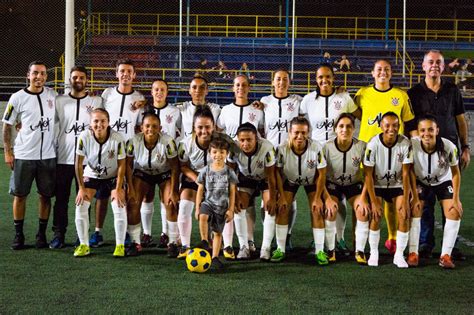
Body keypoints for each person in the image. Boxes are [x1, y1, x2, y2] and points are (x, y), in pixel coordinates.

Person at [406, 49, 469, 261]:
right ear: (423, 66)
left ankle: (449, 247)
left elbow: (460, 120)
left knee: (448, 198)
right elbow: (411, 124)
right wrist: (421, 146)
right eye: (430, 62)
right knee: (425, 202)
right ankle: (425, 243)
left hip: (448, 153)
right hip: (424, 154)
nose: (434, 65)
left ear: (443, 67)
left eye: (438, 62)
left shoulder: (452, 90)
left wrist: (466, 147)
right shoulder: (414, 93)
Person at [355, 59, 414, 255]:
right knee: (368, 196)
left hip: (394, 153)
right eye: (379, 69)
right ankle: (360, 240)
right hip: (368, 152)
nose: (383, 72)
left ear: (391, 73)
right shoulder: (362, 94)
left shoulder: (401, 96)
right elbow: (355, 113)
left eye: (387, 69)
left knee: (392, 196)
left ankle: (392, 237)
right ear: (372, 73)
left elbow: (408, 122)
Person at [300, 63, 358, 255]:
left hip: (340, 153)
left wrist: (349, 95)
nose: (324, 80)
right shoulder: (308, 100)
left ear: (334, 78)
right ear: (315, 79)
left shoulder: (344, 97)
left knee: (338, 197)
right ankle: (320, 239)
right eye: (320, 77)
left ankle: (339, 239)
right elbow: (300, 122)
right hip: (317, 155)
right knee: (320, 197)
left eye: (328, 77)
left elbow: (359, 114)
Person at [3, 61, 57, 250]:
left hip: (48, 156)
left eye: (42, 74)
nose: (39, 77)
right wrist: (8, 151)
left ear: (46, 77)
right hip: (24, 155)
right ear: (28, 75)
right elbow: (7, 125)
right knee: (20, 195)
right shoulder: (17, 98)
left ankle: (41, 235)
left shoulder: (53, 95)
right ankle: (19, 235)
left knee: (45, 196)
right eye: (35, 73)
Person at [91, 59, 146, 247]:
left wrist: (144, 102)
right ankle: (97, 232)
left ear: (134, 75)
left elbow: (141, 125)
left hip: (129, 154)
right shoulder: (107, 95)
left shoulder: (138, 98)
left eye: (129, 71)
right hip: (106, 152)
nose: (125, 74)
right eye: (122, 71)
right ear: (116, 74)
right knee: (102, 195)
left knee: (126, 192)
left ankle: (128, 234)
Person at [50, 65, 103, 249]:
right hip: (64, 159)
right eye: (74, 77)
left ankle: (83, 236)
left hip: (87, 162)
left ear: (86, 80)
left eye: (81, 77)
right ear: (70, 80)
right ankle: (58, 234)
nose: (78, 80)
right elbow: (48, 122)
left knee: (85, 198)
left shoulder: (96, 102)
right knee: (61, 199)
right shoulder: (60, 101)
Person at [177, 106, 234, 259]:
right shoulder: (185, 144)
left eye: (207, 127)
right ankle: (185, 245)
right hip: (194, 178)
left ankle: (227, 246)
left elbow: (233, 163)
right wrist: (197, 179)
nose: (204, 131)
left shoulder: (224, 141)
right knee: (184, 204)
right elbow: (183, 165)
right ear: (194, 128)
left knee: (226, 208)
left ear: (213, 126)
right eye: (200, 127)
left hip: (219, 181)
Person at [217, 74, 264, 258]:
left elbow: (263, 132)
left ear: (249, 88)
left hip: (258, 164)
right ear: (232, 88)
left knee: (254, 205)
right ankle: (234, 243)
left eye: (244, 85)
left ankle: (250, 241)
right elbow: (220, 131)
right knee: (238, 202)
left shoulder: (258, 110)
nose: (240, 88)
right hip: (235, 164)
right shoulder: (225, 110)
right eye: (237, 85)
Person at [273, 117, 328, 264]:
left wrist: (317, 198)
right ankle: (280, 249)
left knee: (317, 209)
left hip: (311, 180)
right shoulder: (281, 148)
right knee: (283, 208)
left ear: (308, 132)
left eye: (303, 132)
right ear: (289, 132)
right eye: (296, 132)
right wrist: (281, 195)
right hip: (290, 180)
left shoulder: (316, 147)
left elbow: (322, 174)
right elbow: (277, 172)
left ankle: (320, 250)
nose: (300, 136)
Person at [410, 115, 463, 269]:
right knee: (415, 208)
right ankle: (414, 252)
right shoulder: (411, 145)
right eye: (423, 130)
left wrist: (456, 198)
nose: (427, 133)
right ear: (418, 132)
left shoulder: (448, 146)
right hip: (421, 181)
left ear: (437, 130)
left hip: (442, 181)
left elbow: (455, 173)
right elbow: (409, 172)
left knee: (454, 211)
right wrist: (413, 195)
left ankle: (445, 255)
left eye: (431, 130)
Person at [73, 108, 127, 257]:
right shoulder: (84, 137)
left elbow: (122, 164)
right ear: (90, 123)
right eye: (96, 121)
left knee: (119, 203)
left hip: (112, 176)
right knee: (81, 203)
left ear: (108, 122)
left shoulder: (118, 138)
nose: (99, 124)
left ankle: (120, 245)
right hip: (92, 175)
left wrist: (118, 188)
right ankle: (84, 245)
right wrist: (81, 188)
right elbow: (78, 164)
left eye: (103, 121)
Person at [125, 112, 180, 256]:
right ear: (141, 128)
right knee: (133, 202)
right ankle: (135, 242)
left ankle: (173, 242)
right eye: (147, 126)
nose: (150, 129)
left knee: (170, 202)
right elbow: (128, 165)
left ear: (160, 128)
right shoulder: (133, 141)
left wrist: (174, 190)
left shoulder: (168, 142)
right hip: (143, 172)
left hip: (163, 172)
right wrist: (130, 187)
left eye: (154, 126)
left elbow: (175, 166)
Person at [362, 112, 413, 268]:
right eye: (387, 125)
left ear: (399, 126)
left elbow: (405, 173)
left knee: (403, 215)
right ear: (381, 126)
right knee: (375, 215)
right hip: (377, 185)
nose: (391, 129)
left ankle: (399, 255)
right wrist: (373, 200)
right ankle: (374, 253)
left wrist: (405, 199)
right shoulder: (372, 144)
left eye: (395, 125)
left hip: (397, 185)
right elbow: (368, 175)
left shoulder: (405, 143)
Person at [259, 69, 302, 252]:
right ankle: (269, 234)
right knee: (267, 200)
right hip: (269, 158)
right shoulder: (264, 102)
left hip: (289, 157)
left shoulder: (298, 101)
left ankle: (287, 234)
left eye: (285, 79)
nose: (281, 82)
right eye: (278, 79)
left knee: (288, 199)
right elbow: (260, 129)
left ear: (289, 83)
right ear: (272, 82)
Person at [323, 113, 369, 264]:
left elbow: (369, 174)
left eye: (349, 126)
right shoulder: (326, 147)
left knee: (362, 210)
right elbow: (320, 176)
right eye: (341, 126)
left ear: (354, 129)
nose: (345, 129)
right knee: (330, 210)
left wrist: (363, 198)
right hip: (332, 185)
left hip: (353, 185)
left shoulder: (361, 146)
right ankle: (331, 249)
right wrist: (327, 198)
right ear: (335, 129)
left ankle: (360, 251)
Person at [228, 123, 278, 260]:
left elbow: (271, 176)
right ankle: (244, 247)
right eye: (242, 140)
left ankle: (265, 248)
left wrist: (273, 198)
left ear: (256, 138)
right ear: (238, 139)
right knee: (239, 207)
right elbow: (230, 172)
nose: (245, 143)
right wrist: (235, 195)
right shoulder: (233, 148)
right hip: (245, 177)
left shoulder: (267, 147)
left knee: (270, 207)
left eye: (249, 140)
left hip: (264, 178)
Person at [143, 79, 181, 248]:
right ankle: (146, 233)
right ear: (151, 92)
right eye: (156, 89)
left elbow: (181, 131)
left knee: (166, 199)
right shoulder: (143, 111)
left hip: (167, 164)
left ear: (167, 92)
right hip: (146, 163)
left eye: (162, 89)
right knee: (147, 196)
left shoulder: (175, 112)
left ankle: (165, 233)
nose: (159, 92)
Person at [195, 137, 238, 271]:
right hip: (208, 202)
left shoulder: (229, 172)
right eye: (214, 152)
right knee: (203, 216)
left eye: (221, 152)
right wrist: (197, 207)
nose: (218, 155)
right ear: (209, 153)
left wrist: (231, 210)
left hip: (222, 207)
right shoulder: (205, 170)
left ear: (227, 154)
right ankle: (204, 241)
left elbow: (232, 191)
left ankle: (215, 257)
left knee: (217, 233)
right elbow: (200, 189)